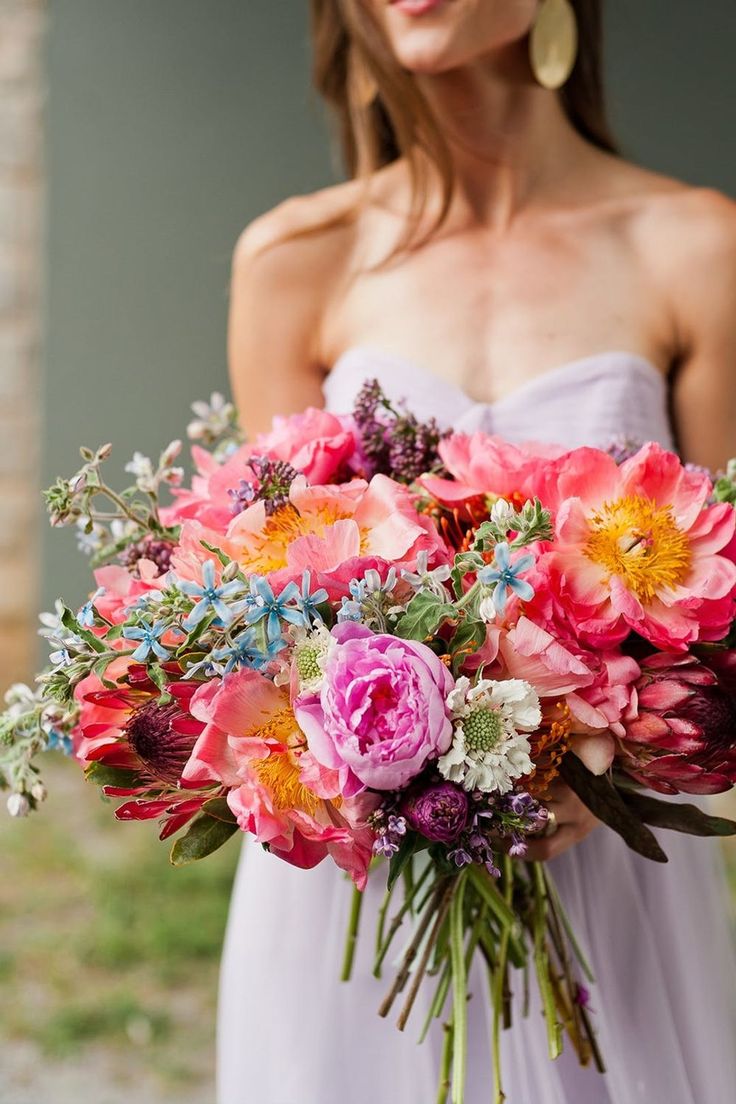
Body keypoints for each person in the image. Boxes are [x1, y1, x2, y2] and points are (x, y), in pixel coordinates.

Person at [220, 2, 736, 1101]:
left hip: (607, 870)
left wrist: (605, 760)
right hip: (361, 890)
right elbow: (260, 598)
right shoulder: (294, 258)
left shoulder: (694, 246)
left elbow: (727, 589)